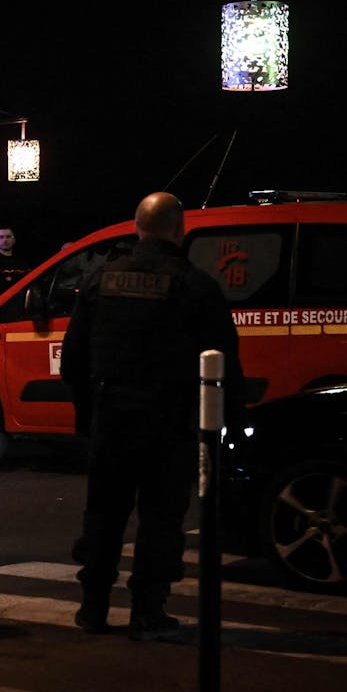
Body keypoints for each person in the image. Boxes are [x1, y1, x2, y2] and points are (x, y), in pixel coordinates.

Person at [60, 191, 243, 642]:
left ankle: (93, 607)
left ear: (135, 226)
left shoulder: (100, 281)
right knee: (161, 519)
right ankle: (147, 610)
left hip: (113, 420)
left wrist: (90, 415)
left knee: (104, 514)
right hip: (169, 423)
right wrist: (221, 427)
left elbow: (72, 362)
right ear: (180, 231)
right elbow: (223, 366)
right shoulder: (197, 287)